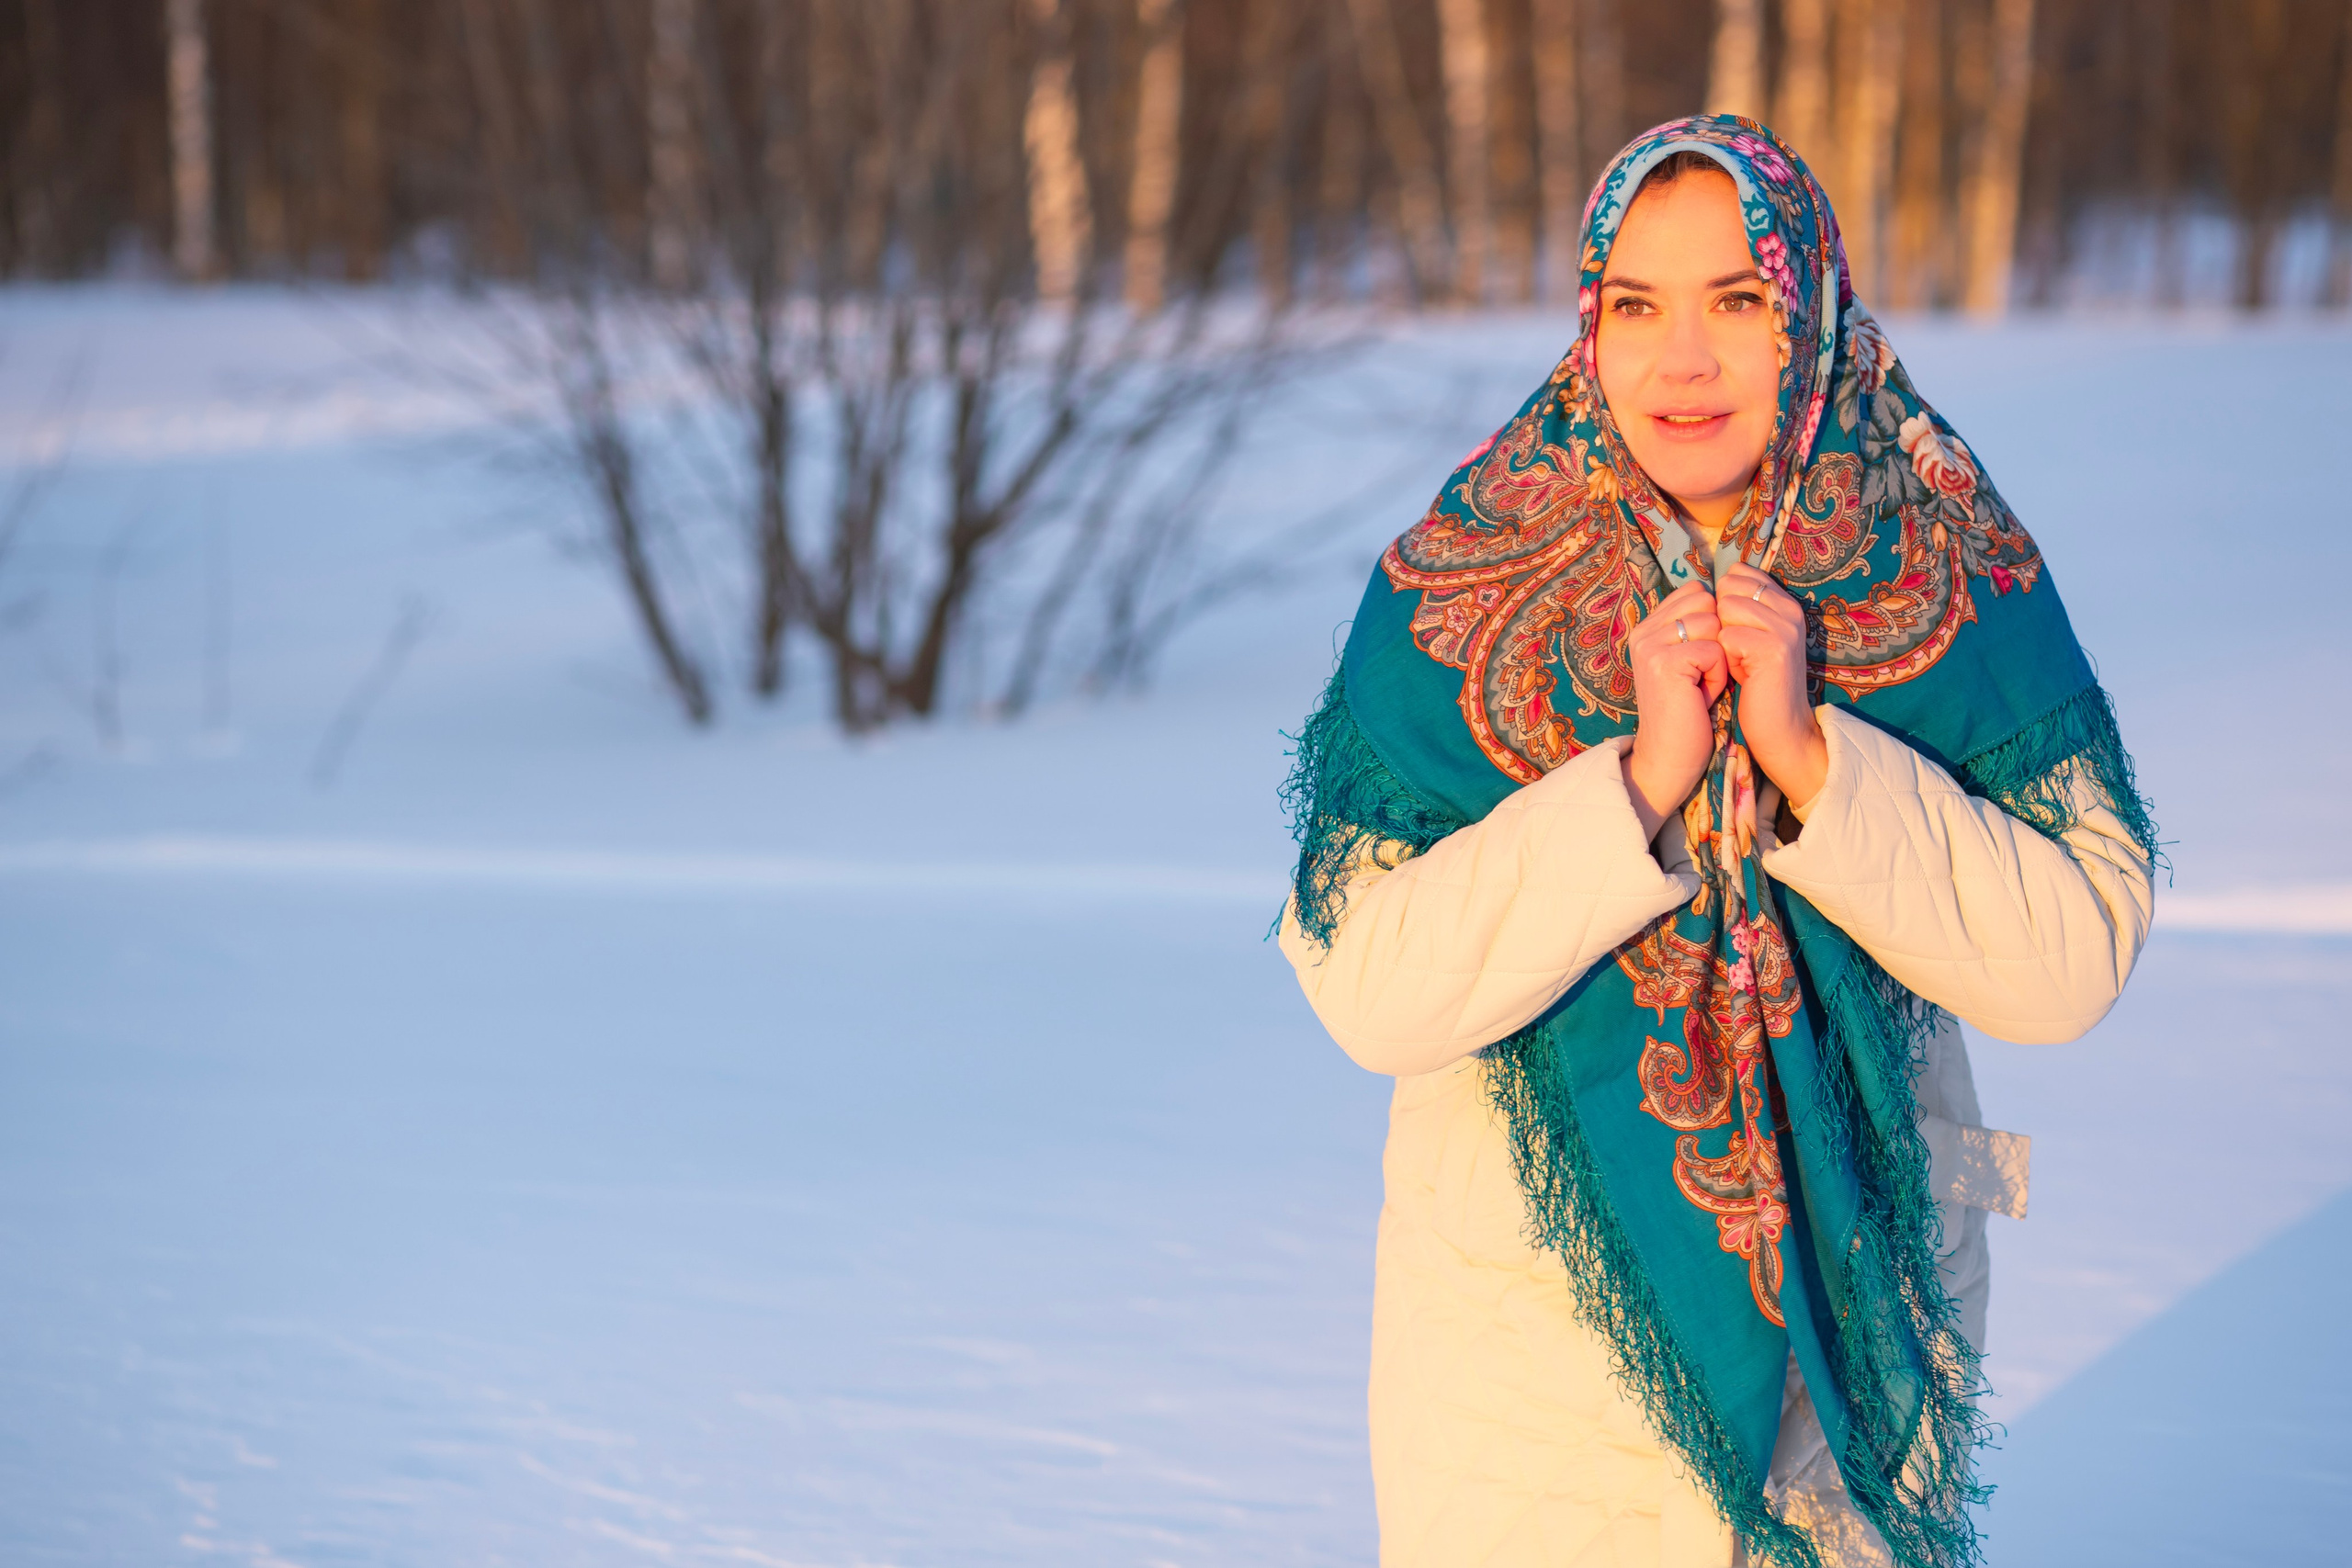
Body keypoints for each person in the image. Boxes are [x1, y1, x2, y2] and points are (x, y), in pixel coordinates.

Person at [1277, 117, 2154, 1568]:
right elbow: (1369, 984)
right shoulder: (1478, 567)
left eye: (1736, 303)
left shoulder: (1932, 548)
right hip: (1540, 1370)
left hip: (1856, 1346)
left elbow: (2070, 963)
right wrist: (1634, 782)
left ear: (1806, 310)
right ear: (1588, 321)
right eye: (1637, 306)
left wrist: (1821, 764)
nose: (1680, 361)